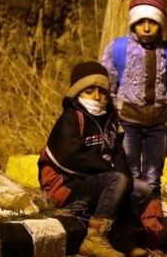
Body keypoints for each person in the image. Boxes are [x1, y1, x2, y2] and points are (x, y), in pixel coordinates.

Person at [101, 0, 167, 253]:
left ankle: (151, 234)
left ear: (160, 24)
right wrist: (109, 117)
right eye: (142, 22)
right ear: (134, 23)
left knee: (153, 179)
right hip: (127, 120)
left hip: (157, 124)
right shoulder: (118, 49)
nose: (147, 28)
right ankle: (128, 233)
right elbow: (108, 82)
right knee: (132, 177)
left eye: (153, 21)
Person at [38, 62, 153, 257]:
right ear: (77, 93)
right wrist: (112, 173)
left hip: (99, 183)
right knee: (118, 179)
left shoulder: (111, 121)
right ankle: (94, 239)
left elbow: (119, 158)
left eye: (102, 91)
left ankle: (119, 238)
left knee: (142, 189)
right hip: (67, 187)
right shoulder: (71, 117)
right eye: (89, 91)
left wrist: (125, 183)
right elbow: (70, 155)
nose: (97, 97)